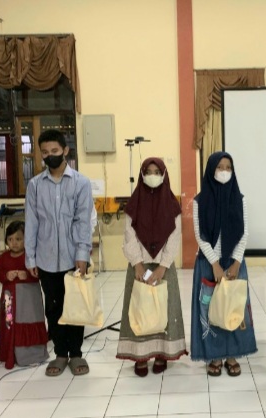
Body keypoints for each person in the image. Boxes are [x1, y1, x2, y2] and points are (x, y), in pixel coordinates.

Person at [25, 129, 93, 377]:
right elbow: (32, 222)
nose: (50, 155)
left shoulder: (81, 183)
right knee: (53, 308)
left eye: (54, 151)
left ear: (65, 150)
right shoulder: (35, 185)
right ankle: (60, 354)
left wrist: (82, 254)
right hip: (45, 257)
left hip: (74, 257)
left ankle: (76, 353)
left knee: (75, 306)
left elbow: (83, 221)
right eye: (45, 152)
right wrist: (30, 257)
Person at [116, 157, 188, 376]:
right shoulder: (134, 204)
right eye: (149, 171)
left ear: (164, 175)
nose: (153, 176)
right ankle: (140, 355)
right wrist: (138, 265)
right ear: (142, 175)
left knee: (164, 309)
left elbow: (175, 237)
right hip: (138, 264)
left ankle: (161, 353)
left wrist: (162, 267)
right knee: (140, 308)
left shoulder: (172, 205)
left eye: (157, 172)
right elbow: (129, 235)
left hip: (164, 266)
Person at [191, 151, 257, 377]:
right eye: (220, 167)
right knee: (212, 310)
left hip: (234, 264)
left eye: (228, 167)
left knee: (233, 308)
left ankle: (232, 355)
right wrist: (215, 264)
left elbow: (244, 233)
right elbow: (200, 236)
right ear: (211, 170)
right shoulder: (199, 201)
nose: (224, 171)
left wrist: (236, 261)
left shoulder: (240, 199)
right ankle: (215, 355)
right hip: (209, 264)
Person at [0, 221, 49, 369]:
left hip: (29, 299)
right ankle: (9, 353)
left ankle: (31, 354)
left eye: (18, 239)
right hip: (9, 299)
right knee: (9, 324)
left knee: (29, 322)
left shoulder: (31, 257)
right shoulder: (4, 257)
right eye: (10, 239)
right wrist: (6, 275)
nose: (14, 243)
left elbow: (40, 273)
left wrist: (28, 275)